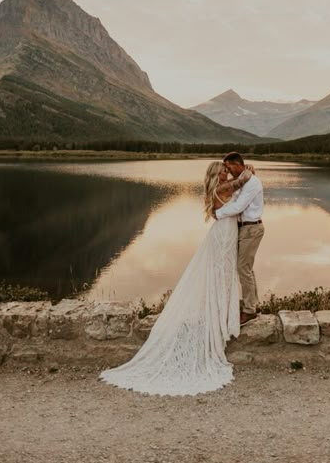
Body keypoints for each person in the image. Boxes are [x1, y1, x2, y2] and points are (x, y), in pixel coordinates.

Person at [98, 160, 253, 396]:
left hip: (226, 233)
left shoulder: (219, 189)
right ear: (216, 175)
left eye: (226, 169)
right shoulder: (221, 189)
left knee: (222, 274)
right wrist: (248, 171)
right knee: (220, 273)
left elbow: (238, 187)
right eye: (223, 170)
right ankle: (219, 316)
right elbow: (241, 181)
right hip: (223, 236)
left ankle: (220, 313)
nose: (226, 171)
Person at [214, 152, 264, 326]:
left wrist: (217, 214)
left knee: (243, 268)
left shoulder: (252, 183)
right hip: (243, 228)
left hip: (251, 228)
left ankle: (250, 310)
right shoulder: (245, 179)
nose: (227, 171)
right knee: (246, 268)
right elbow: (231, 196)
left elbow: (239, 206)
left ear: (236, 164)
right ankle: (253, 305)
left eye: (228, 167)